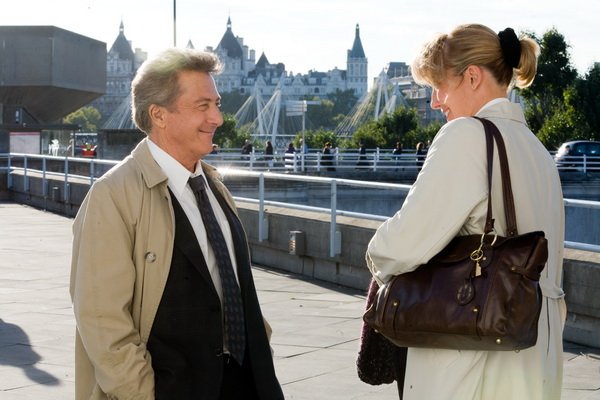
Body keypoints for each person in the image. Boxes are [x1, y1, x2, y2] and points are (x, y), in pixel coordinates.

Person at [70, 48, 284, 400]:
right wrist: (141, 393)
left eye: (217, 104)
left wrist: (262, 358)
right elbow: (101, 321)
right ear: (159, 115)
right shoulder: (113, 195)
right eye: (203, 106)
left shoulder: (214, 187)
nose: (217, 118)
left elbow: (235, 288)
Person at [365, 24, 565, 400]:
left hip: (471, 362)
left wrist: (375, 253)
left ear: (472, 77)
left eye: (438, 86)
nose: (434, 102)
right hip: (535, 357)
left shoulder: (466, 136)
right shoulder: (538, 150)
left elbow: (405, 243)